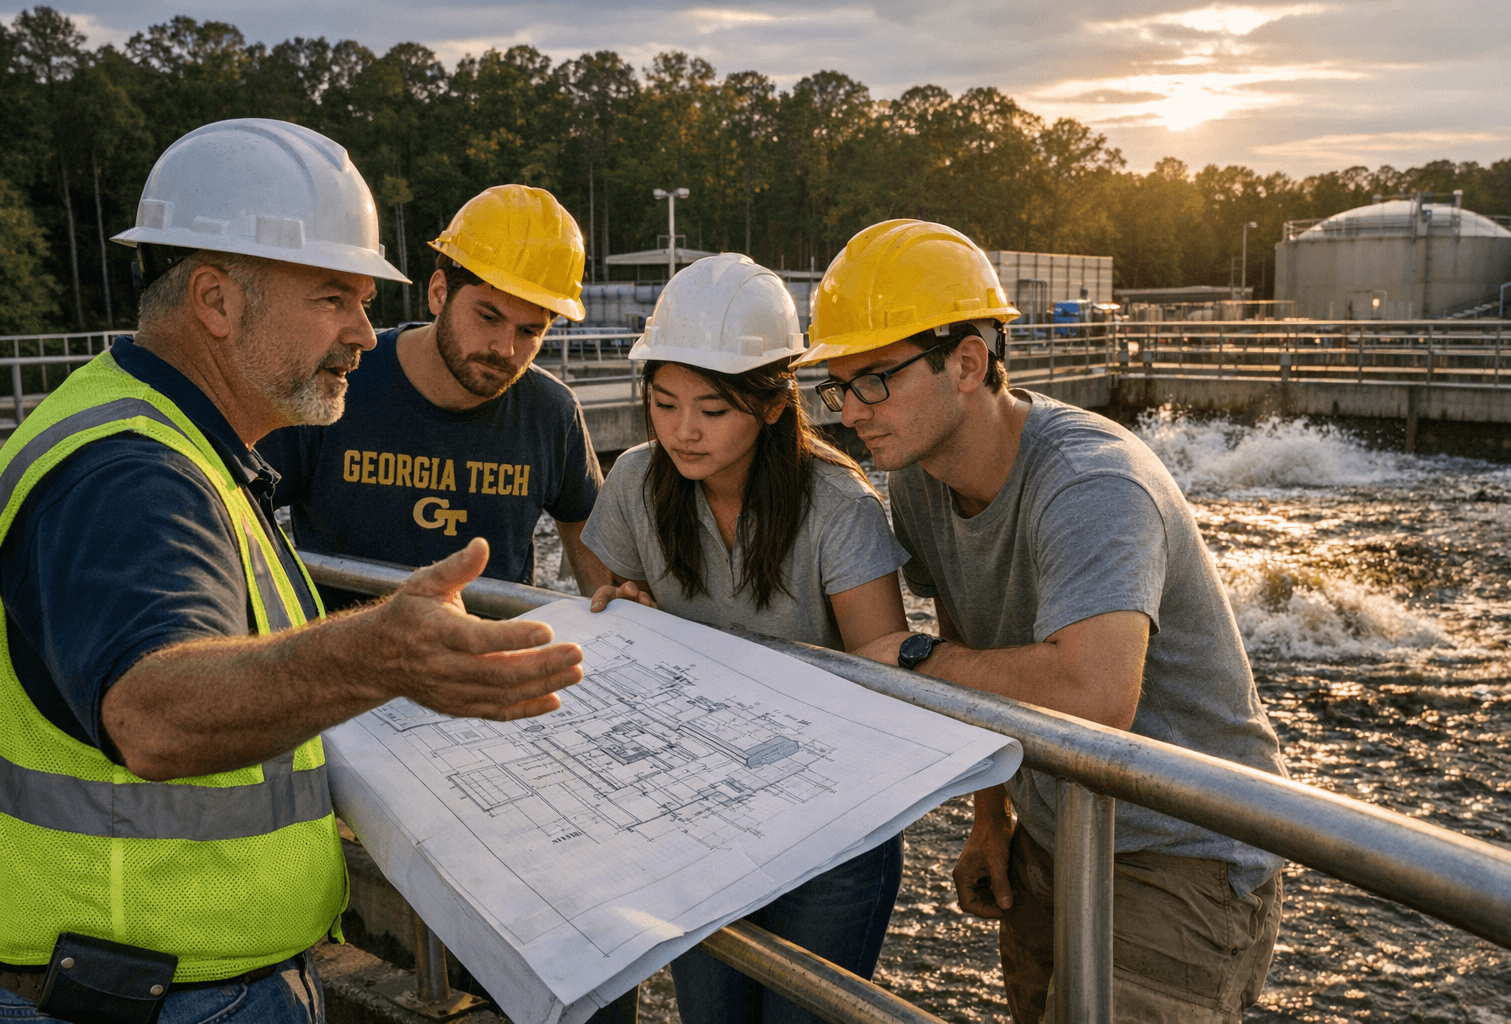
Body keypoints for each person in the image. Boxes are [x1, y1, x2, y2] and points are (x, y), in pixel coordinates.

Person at [0, 119, 584, 1024]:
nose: (363, 331)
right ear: (216, 299)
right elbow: (153, 715)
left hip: (162, 977)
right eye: (333, 298)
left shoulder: (177, 439)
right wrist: (379, 654)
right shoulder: (135, 474)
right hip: (152, 991)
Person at [793, 219, 1288, 1024]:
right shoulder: (918, 477)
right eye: (838, 385)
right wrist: (994, 817)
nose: (850, 411)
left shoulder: (1092, 485)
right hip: (1057, 835)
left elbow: (1095, 696)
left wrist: (911, 655)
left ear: (968, 363)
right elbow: (968, 616)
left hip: (1183, 853)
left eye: (875, 379)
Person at [581, 253, 911, 1024]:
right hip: (700, 815)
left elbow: (885, 676)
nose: (682, 432)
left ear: (770, 404)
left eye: (712, 409)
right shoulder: (633, 481)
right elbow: (612, 612)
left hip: (833, 831)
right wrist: (624, 613)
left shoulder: (838, 504)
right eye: (663, 404)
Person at [259, 184, 609, 607]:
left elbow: (595, 560)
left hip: (487, 666)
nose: (505, 348)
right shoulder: (338, 383)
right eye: (487, 316)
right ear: (439, 292)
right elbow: (236, 517)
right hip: (345, 661)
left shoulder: (552, 413)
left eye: (530, 331)